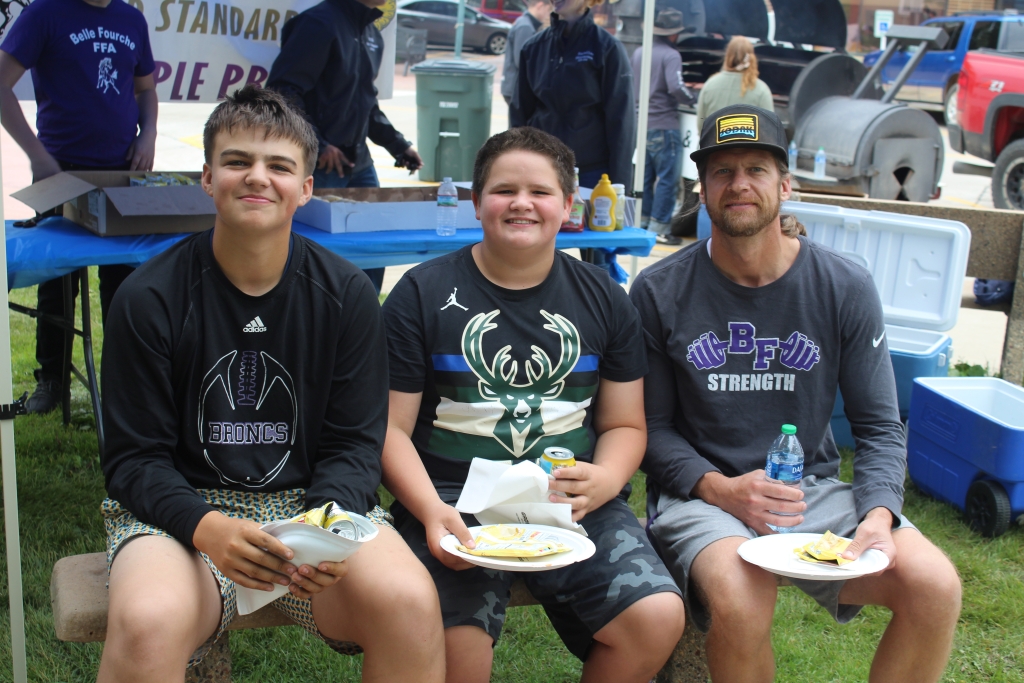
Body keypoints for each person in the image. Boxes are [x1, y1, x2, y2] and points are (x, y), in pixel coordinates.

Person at [97, 86, 445, 683]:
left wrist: (319, 533)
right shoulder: (147, 297)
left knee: (409, 602)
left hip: (308, 506)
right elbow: (134, 460)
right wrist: (206, 526)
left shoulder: (347, 294)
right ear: (207, 178)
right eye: (237, 161)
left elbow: (355, 444)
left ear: (306, 187)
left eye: (279, 166)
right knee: (147, 620)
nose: (257, 178)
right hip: (178, 515)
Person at [629, 105, 962, 683]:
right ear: (702, 189)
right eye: (722, 171)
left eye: (755, 168)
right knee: (741, 595)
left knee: (934, 586)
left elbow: (881, 426)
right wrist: (723, 490)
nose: (739, 184)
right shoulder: (659, 290)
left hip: (809, 490)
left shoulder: (843, 285)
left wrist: (880, 515)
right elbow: (650, 429)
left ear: (785, 185)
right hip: (702, 496)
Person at [381, 126, 685, 683]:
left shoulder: (604, 299)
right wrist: (429, 512)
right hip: (451, 502)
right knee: (459, 653)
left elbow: (625, 422)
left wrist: (607, 477)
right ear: (475, 203)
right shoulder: (419, 295)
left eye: (540, 192)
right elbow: (390, 431)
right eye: (503, 190)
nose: (521, 203)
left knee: (656, 618)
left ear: (568, 206)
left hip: (569, 503)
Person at [0, 0, 158, 414]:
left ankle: (125, 382)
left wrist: (149, 134)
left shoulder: (131, 19)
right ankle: (51, 380)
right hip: (59, 170)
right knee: (57, 280)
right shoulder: (44, 13)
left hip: (122, 172)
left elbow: (146, 89)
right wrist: (36, 156)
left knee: (124, 281)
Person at [267, 0, 423, 294]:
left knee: (375, 241)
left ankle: (366, 315)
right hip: (319, 164)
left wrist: (399, 145)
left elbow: (366, 103)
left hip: (359, 162)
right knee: (311, 251)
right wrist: (317, 144)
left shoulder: (372, 33)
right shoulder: (318, 23)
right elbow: (283, 91)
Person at [511, 0, 635, 192]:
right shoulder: (533, 48)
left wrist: (620, 185)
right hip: (540, 169)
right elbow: (519, 115)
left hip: (591, 173)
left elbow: (621, 121)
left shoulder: (607, 48)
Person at [630, 8, 694, 241]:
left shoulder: (639, 52)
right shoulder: (671, 55)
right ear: (674, 34)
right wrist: (692, 98)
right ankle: (660, 230)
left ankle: (643, 221)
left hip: (641, 124)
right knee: (667, 178)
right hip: (665, 124)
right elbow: (676, 86)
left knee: (644, 178)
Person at [694, 36, 773, 132]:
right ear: (751, 57)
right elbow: (770, 130)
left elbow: (700, 126)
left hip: (713, 146)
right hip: (746, 146)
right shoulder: (761, 90)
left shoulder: (709, 85)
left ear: (728, 55)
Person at [500, 0, 552, 126]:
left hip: (514, 87)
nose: (548, 14)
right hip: (516, 88)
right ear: (540, 5)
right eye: (548, 9)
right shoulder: (526, 27)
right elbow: (523, 62)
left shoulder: (525, 23)